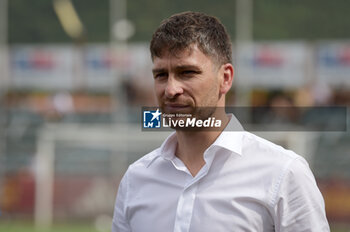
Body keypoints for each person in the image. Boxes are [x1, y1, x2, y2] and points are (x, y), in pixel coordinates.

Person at [112, 11, 330, 232]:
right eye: (161, 75)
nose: (170, 89)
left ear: (225, 78)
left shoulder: (283, 172)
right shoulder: (136, 179)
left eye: (187, 72)